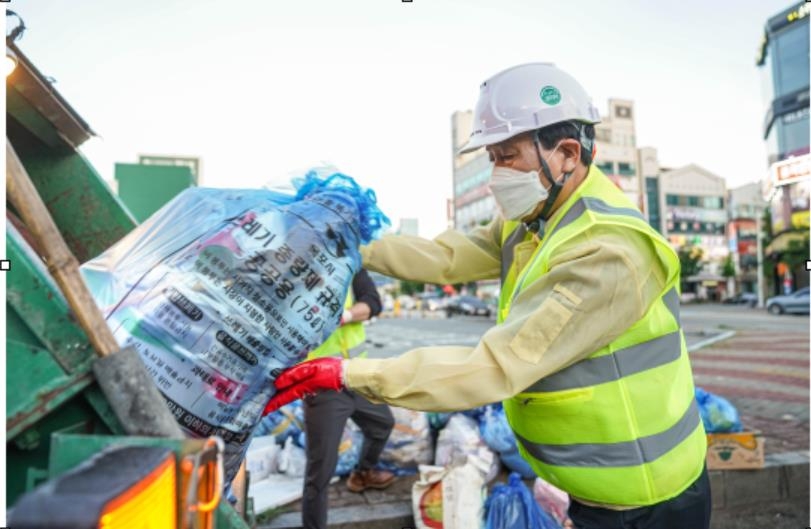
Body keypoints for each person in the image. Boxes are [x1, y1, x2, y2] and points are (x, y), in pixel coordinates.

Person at [264, 63, 710, 529]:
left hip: (648, 502)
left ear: (567, 154)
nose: (496, 174)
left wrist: (350, 373)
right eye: (492, 157)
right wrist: (350, 243)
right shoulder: (538, 215)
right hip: (599, 492)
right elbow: (447, 256)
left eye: (506, 155)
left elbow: (496, 366)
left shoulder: (607, 252)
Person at [293, 268, 395, 529]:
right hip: (322, 385)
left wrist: (346, 315)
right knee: (321, 469)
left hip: (357, 375)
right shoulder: (293, 272)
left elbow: (373, 302)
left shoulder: (351, 266)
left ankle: (362, 474)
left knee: (382, 424)